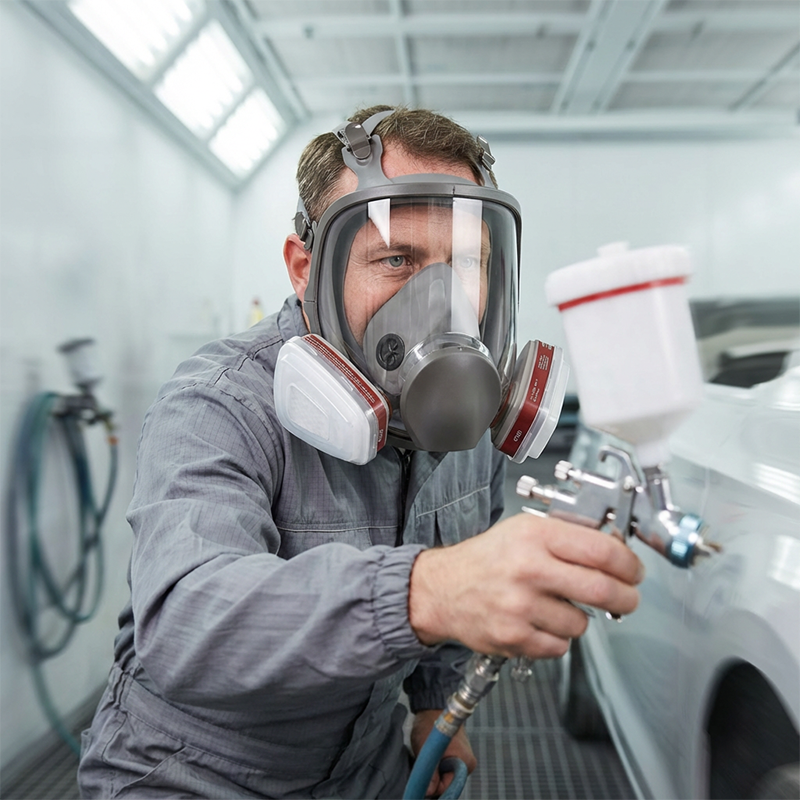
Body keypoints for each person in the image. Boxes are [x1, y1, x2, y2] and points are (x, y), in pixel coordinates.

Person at [78, 105, 643, 800]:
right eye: (396, 259)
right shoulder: (218, 403)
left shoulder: (469, 417)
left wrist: (435, 704)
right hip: (190, 775)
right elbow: (185, 622)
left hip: (366, 771)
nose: (442, 302)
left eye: (467, 262)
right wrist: (428, 590)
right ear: (304, 268)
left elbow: (463, 573)